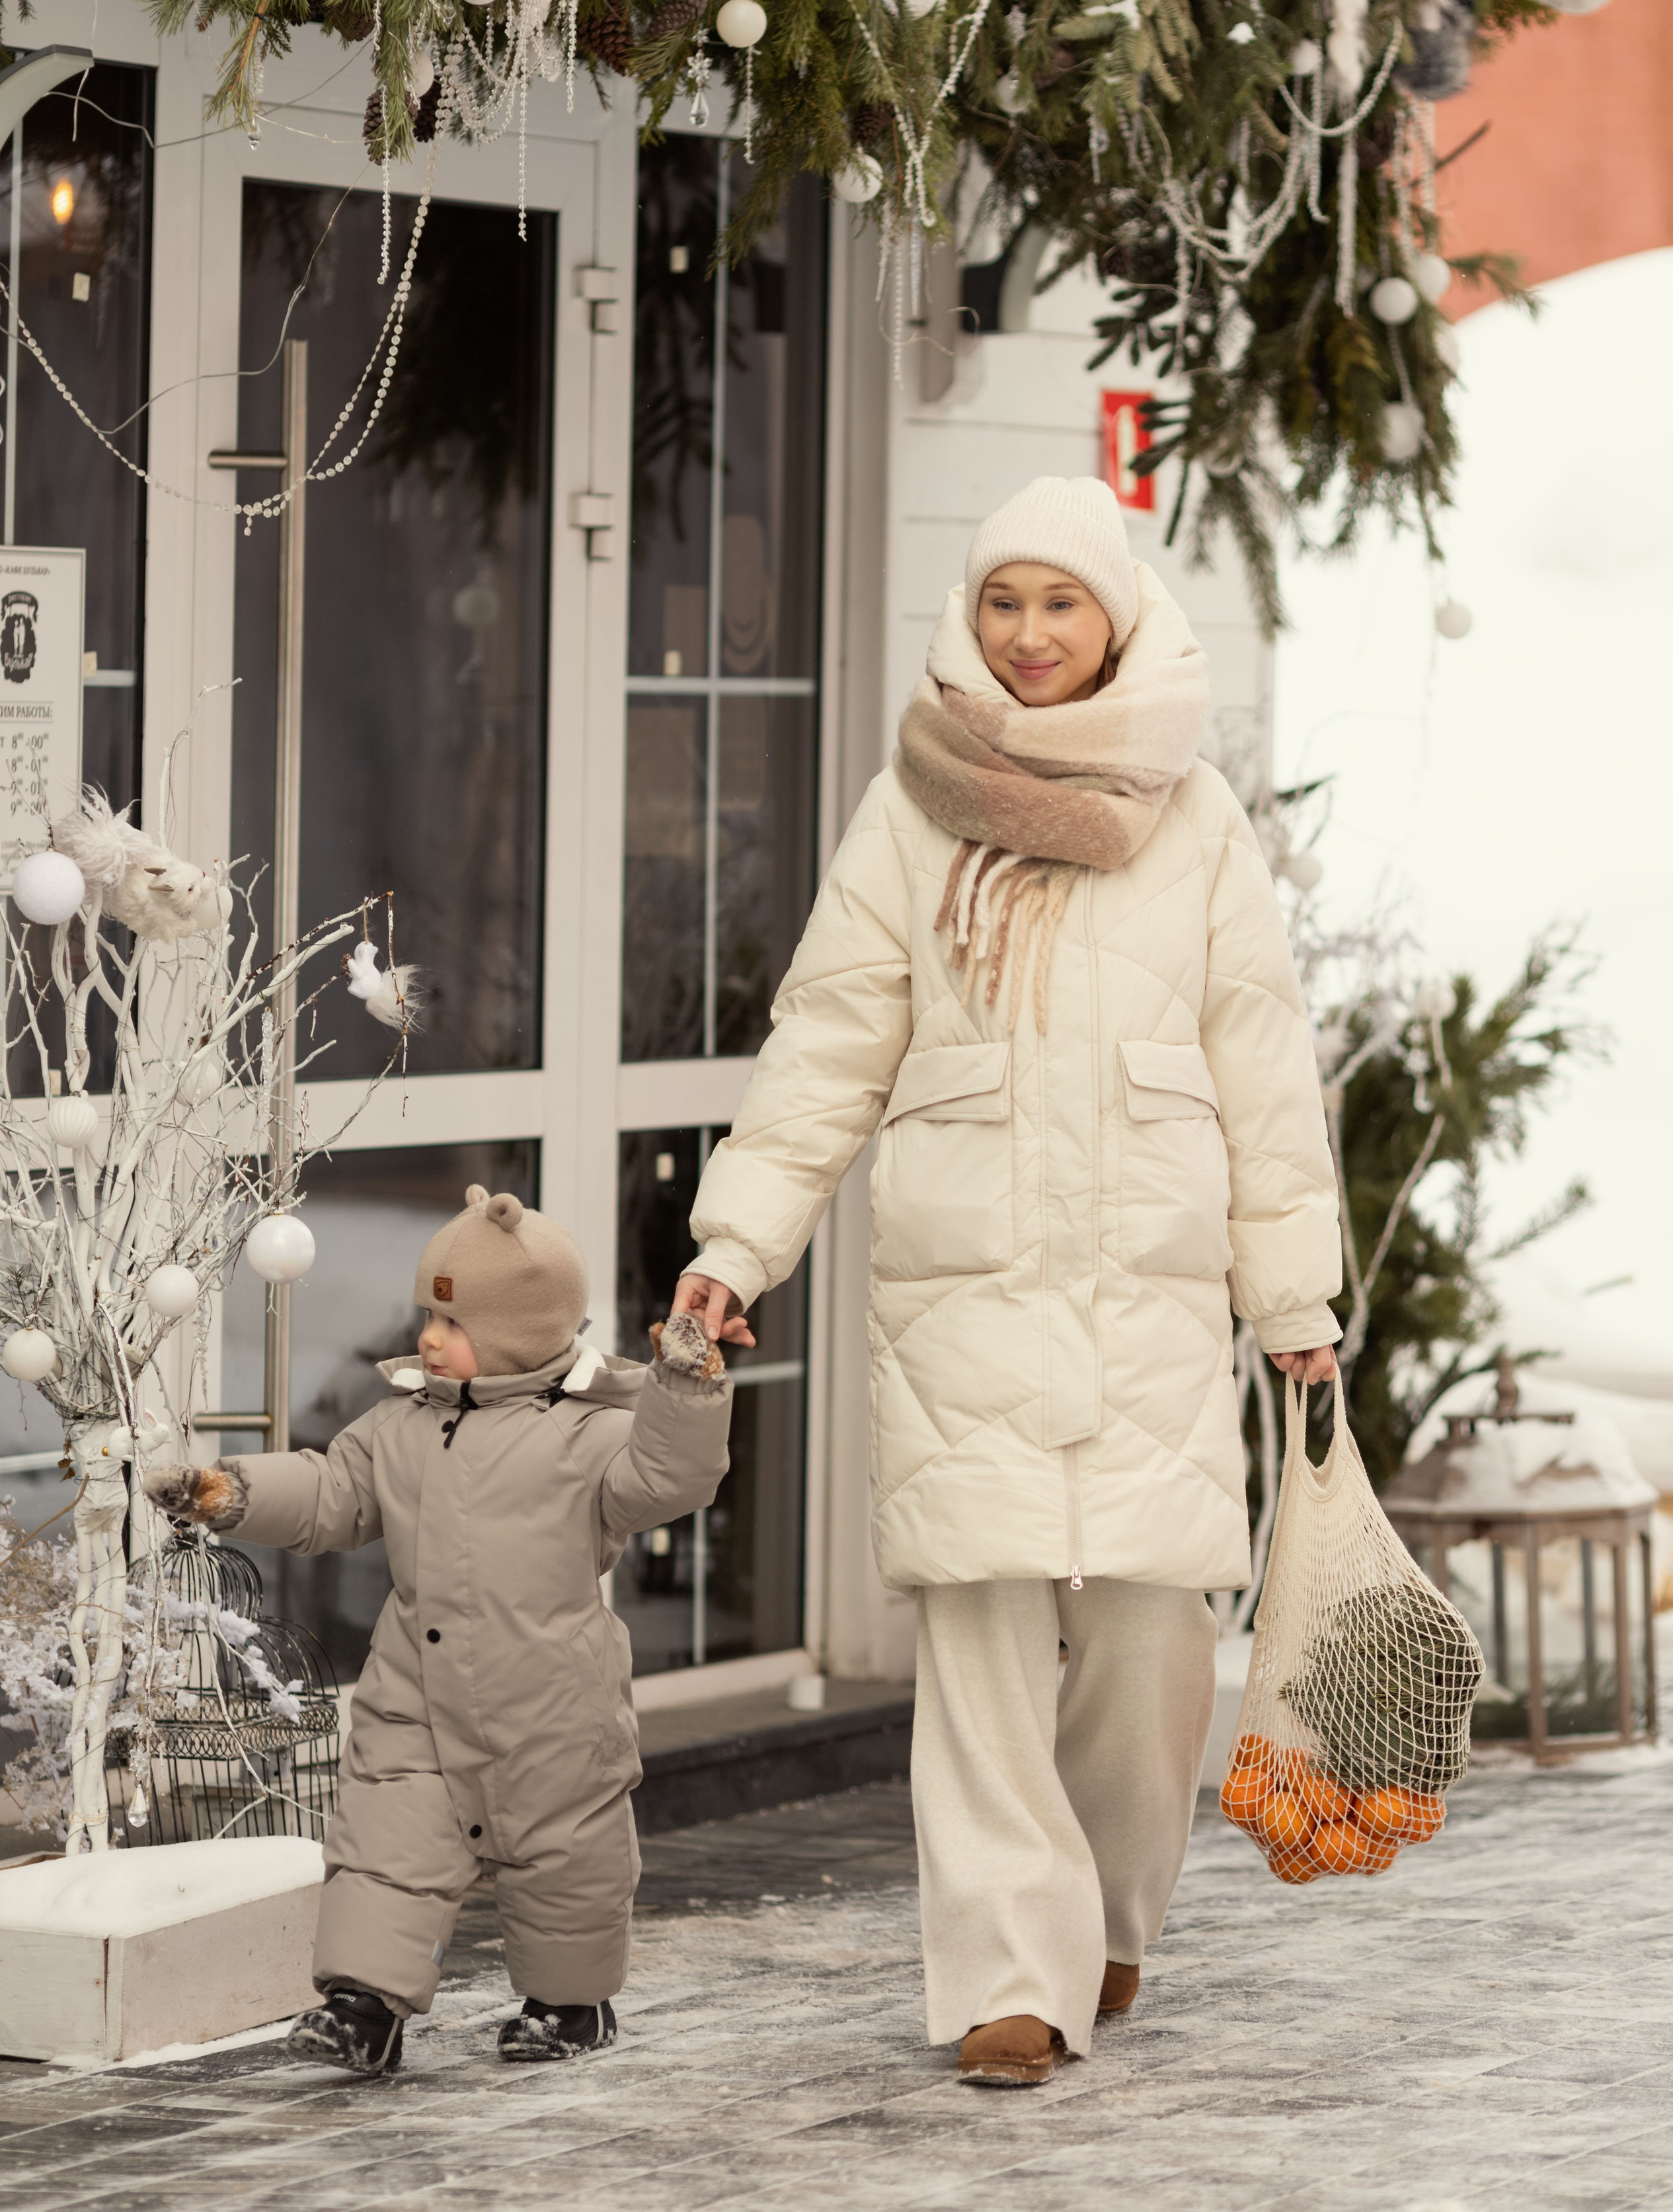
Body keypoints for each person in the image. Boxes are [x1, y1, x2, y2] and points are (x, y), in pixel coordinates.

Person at [675, 476, 1341, 2088]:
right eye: (998, 605)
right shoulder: (913, 805)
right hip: (961, 1277)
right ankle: (1005, 1978)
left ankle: (1108, 1919)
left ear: (1113, 615)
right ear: (964, 622)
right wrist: (734, 1245)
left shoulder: (1193, 818)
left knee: (1148, 1630)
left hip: (1149, 1284)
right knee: (975, 1639)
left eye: (1057, 604)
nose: (1027, 636)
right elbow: (831, 1038)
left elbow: (1258, 1060)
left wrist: (1294, 1298)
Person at [145, 1184, 731, 2076]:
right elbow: (332, 1493)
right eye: (428, 1314)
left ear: (521, 1334)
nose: (427, 1336)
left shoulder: (592, 1437)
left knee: (566, 1859)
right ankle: (361, 2010)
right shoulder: (399, 1427)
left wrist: (685, 1385)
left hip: (553, 1705)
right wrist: (237, 1494)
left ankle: (569, 2007)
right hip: (415, 1694)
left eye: (452, 1324)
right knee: (386, 1851)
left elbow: (669, 1476)